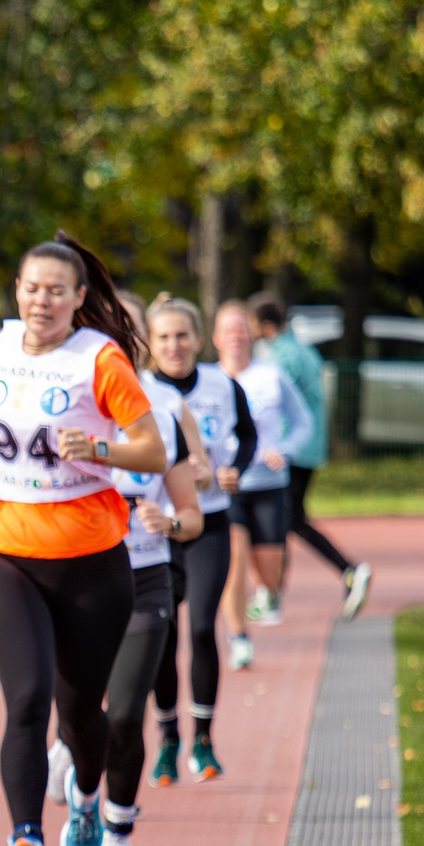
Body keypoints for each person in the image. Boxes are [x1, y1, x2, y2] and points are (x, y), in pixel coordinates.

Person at [0, 236, 167, 846]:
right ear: (18, 290)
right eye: (31, 287)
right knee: (26, 702)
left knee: (80, 715)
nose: (42, 300)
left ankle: (89, 798)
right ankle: (26, 841)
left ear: (77, 300)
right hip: (8, 551)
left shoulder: (98, 359)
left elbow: (152, 450)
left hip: (93, 561)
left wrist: (100, 446)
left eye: (56, 290)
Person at [45, 294, 208, 846]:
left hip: (144, 581)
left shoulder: (162, 410)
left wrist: (171, 522)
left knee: (125, 715)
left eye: (127, 329)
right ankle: (76, 767)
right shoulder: (58, 402)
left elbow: (193, 512)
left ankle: (116, 828)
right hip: (81, 579)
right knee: (79, 710)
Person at [140, 296, 254, 784]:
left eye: (182, 335)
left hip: (208, 523)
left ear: (199, 338)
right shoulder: (137, 390)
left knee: (203, 629)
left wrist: (234, 471)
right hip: (156, 532)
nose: (174, 345)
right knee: (161, 637)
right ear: (149, 342)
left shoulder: (222, 385)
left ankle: (203, 739)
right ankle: (168, 740)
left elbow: (247, 436)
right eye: (163, 336)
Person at [247, 293, 370, 620]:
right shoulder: (303, 349)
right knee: (289, 519)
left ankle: (345, 571)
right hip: (309, 447)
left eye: (252, 324)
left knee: (285, 520)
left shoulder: (281, 357)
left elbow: (273, 405)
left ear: (266, 326)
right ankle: (275, 592)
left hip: (290, 451)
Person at [211, 300, 312, 673]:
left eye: (241, 329)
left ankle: (263, 597)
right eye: (228, 330)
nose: (236, 336)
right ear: (216, 337)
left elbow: (303, 422)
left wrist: (284, 451)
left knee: (269, 576)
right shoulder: (209, 380)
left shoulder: (272, 377)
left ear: (251, 334)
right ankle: (238, 638)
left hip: (269, 484)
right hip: (228, 487)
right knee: (234, 561)